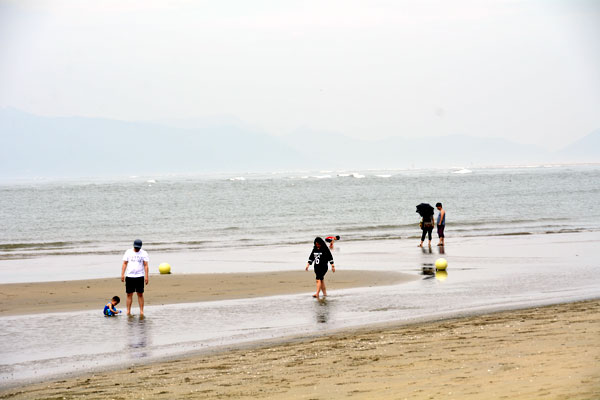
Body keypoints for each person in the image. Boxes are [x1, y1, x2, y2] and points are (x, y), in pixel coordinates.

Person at [121, 239, 149, 316]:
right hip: (130, 276)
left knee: (140, 294)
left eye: (138, 248)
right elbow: (124, 263)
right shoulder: (128, 252)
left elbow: (146, 265)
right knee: (129, 294)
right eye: (136, 247)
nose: (137, 249)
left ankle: (141, 311)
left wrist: (146, 276)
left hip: (140, 276)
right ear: (133, 246)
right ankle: (128, 311)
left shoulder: (144, 253)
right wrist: (122, 274)